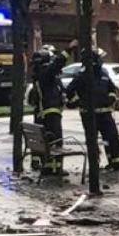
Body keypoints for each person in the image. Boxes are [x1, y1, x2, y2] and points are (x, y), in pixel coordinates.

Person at [67, 49, 119, 172]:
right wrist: (78, 101)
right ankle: (95, 164)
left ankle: (116, 162)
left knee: (112, 138)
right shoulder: (82, 76)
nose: (101, 61)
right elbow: (69, 91)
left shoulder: (103, 73)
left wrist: (111, 97)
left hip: (105, 113)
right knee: (92, 140)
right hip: (89, 115)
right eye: (99, 58)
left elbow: (111, 88)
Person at [28, 45, 68, 177]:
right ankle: (56, 169)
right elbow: (57, 64)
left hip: (45, 113)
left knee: (48, 142)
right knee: (56, 142)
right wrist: (69, 50)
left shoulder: (39, 74)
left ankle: (49, 167)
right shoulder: (46, 72)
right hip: (51, 114)